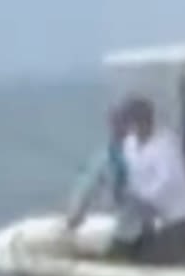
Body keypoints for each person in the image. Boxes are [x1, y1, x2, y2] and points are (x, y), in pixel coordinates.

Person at [118, 95, 185, 266]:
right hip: (158, 219)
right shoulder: (129, 145)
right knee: (141, 258)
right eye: (128, 122)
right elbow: (133, 177)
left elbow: (170, 179)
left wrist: (146, 198)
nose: (132, 127)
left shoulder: (166, 143)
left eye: (137, 121)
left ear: (147, 120)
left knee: (164, 262)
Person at [65, 104, 153, 259]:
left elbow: (88, 183)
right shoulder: (114, 155)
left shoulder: (113, 156)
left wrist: (76, 213)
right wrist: (76, 212)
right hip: (144, 225)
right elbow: (87, 183)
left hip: (132, 229)